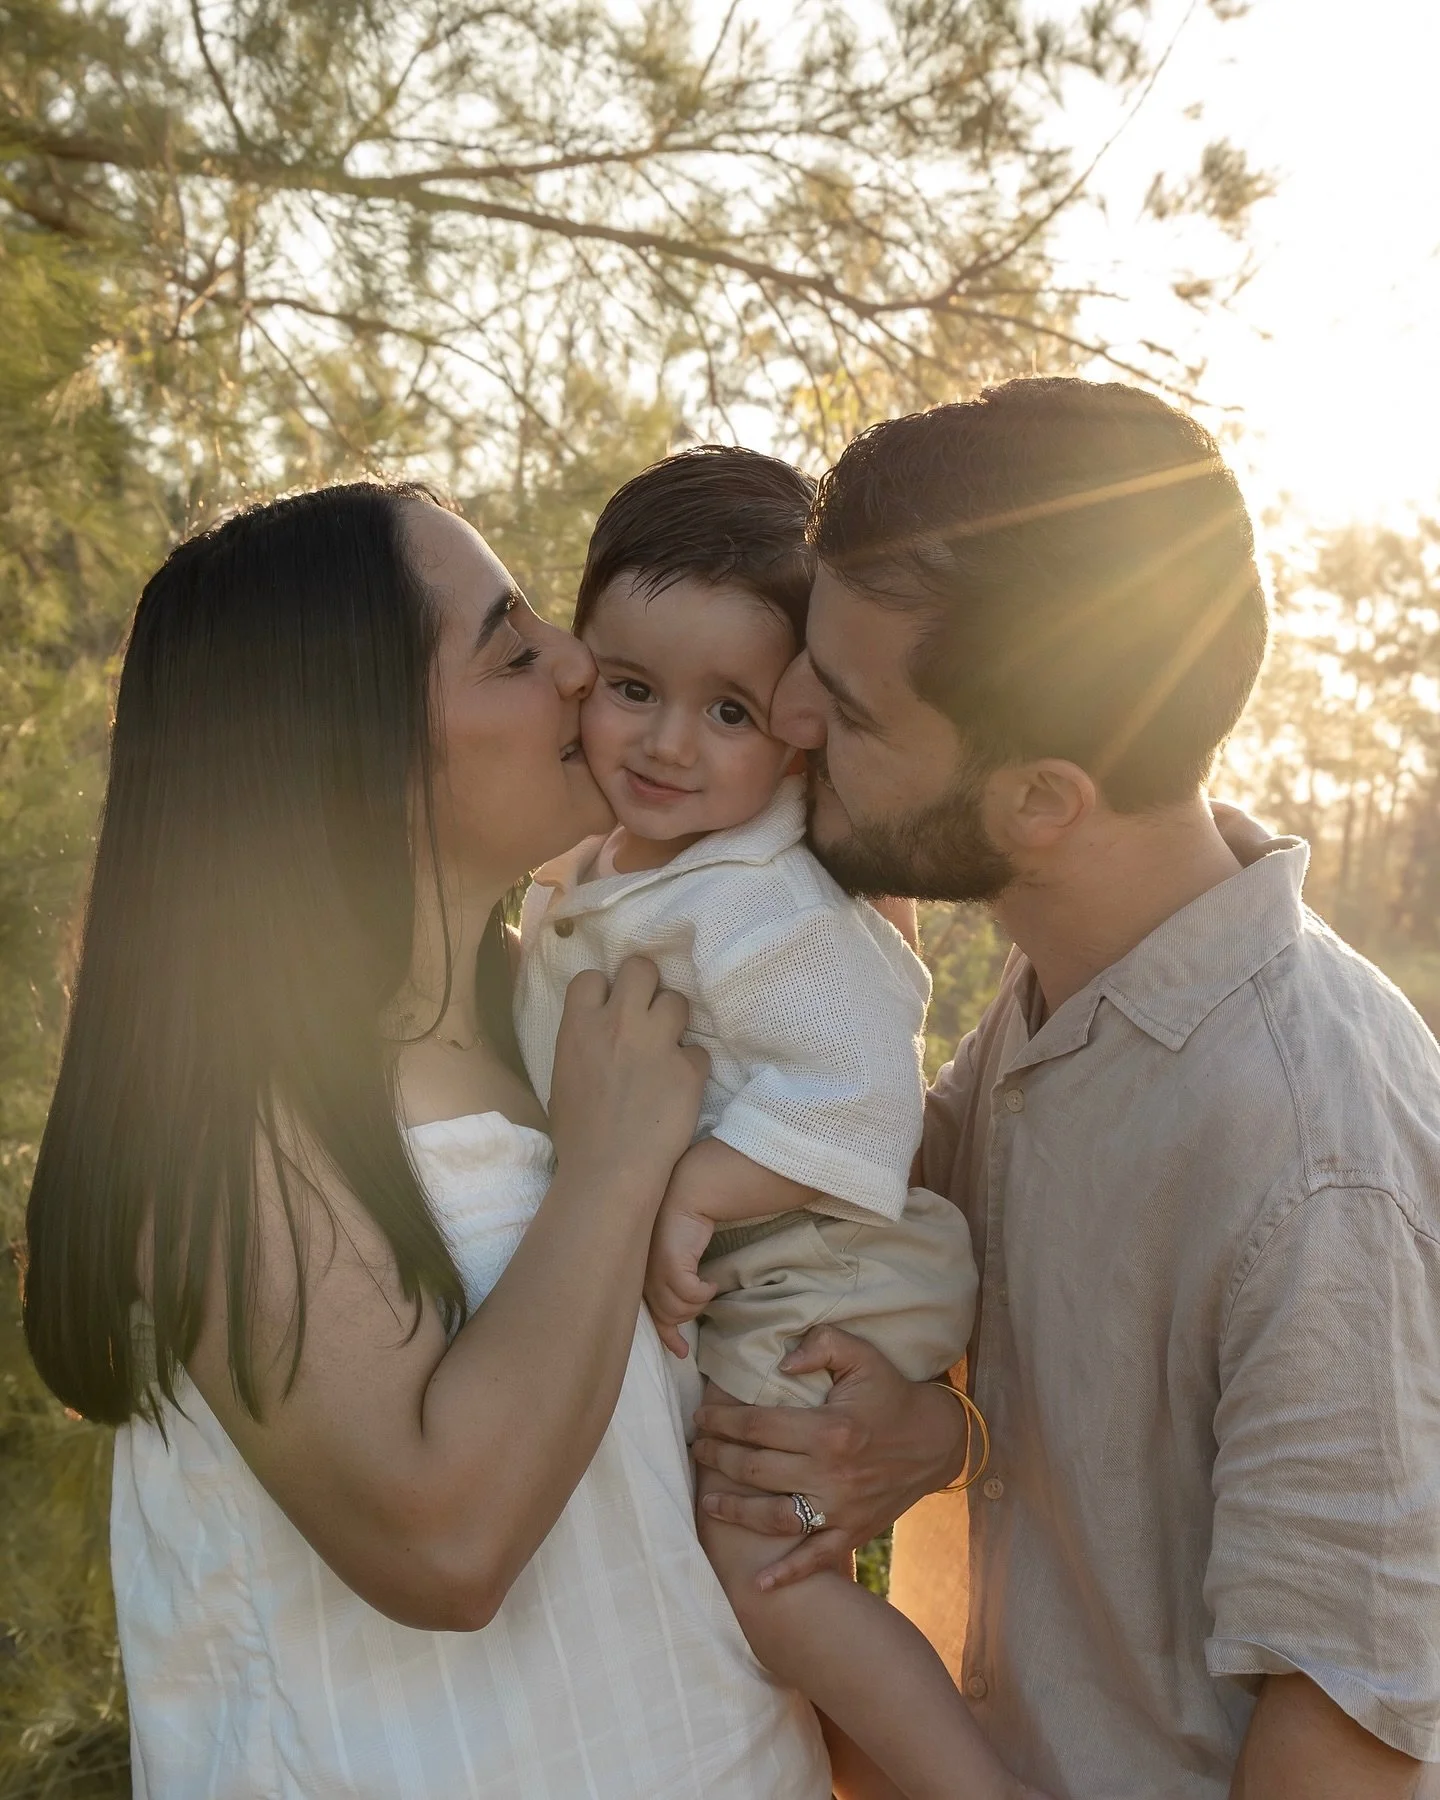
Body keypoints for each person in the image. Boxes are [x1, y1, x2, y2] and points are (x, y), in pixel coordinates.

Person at [22, 482, 832, 1797]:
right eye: (514, 650)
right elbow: (444, 1544)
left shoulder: (588, 1010)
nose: (579, 666)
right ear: (354, 743)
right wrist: (614, 1170)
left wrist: (929, 1431)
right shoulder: (230, 1118)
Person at [694, 379, 1440, 1797]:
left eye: (846, 706)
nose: (787, 717)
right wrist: (949, 1431)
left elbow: (1343, 1753)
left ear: (1042, 799)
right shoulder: (1063, 1011)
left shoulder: (1318, 1154)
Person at [513, 446, 1039, 1800]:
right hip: (769, 1263)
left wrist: (688, 1187)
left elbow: (861, 1093)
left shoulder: (761, 900)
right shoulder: (613, 865)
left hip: (825, 1257)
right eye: (632, 691)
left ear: (798, 722)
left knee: (764, 1568)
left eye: (730, 711)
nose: (669, 744)